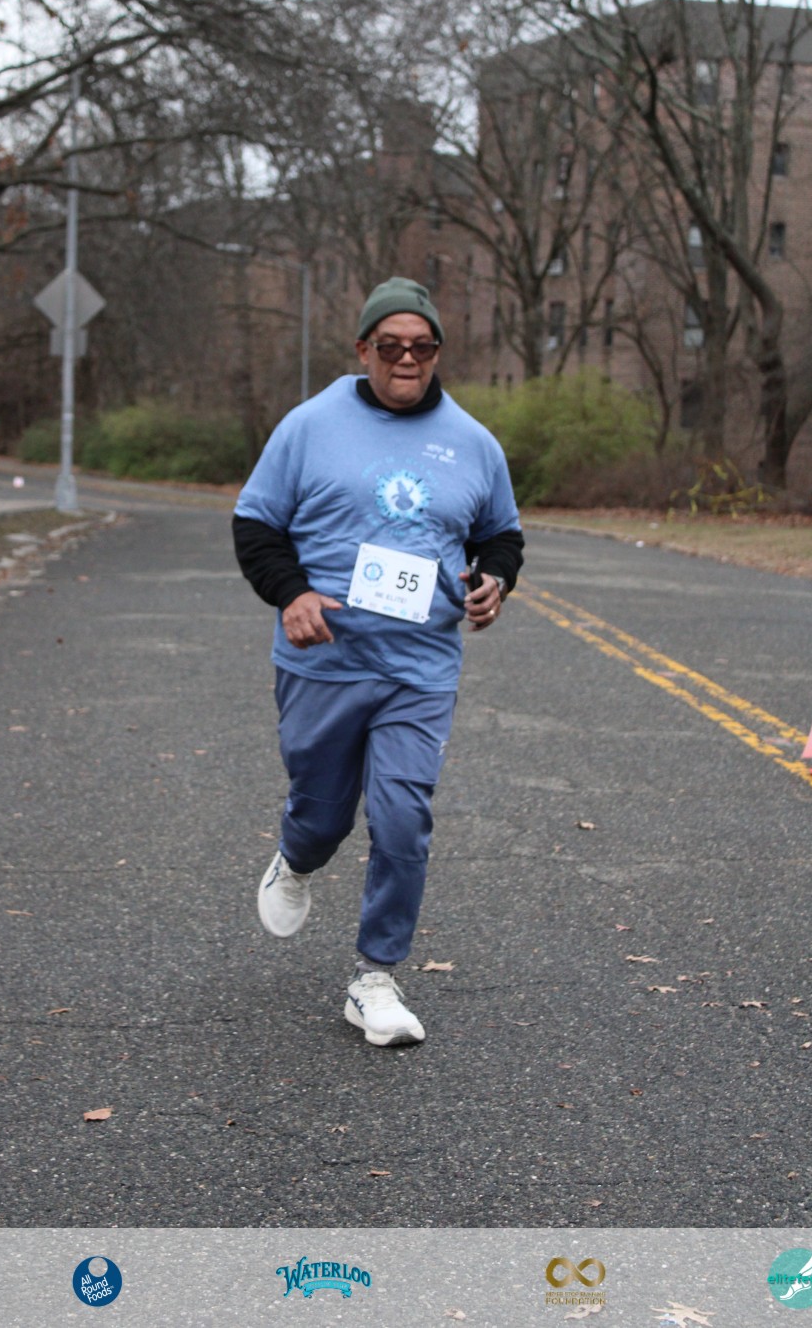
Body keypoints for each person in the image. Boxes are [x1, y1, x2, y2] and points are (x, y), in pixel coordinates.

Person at [233, 277, 524, 1047]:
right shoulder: (309, 425)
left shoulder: (473, 442)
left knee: (402, 814)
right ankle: (296, 860)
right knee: (322, 815)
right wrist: (291, 594)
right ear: (363, 349)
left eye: (422, 346)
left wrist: (494, 581)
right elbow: (256, 524)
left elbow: (501, 535)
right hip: (324, 662)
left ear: (438, 353)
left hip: (419, 666)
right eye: (390, 345)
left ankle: (375, 977)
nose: (406, 358)